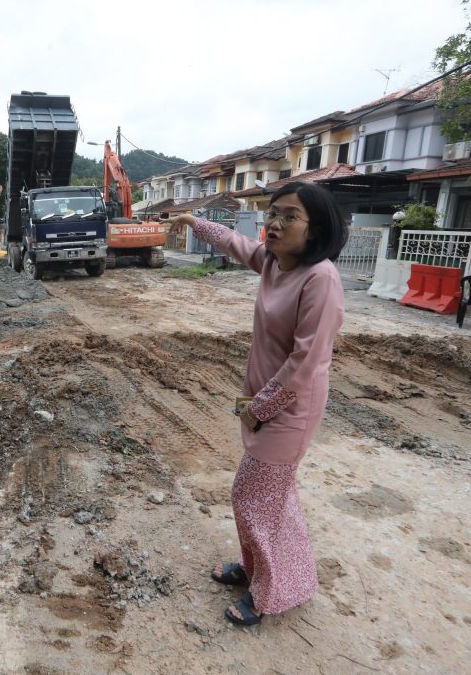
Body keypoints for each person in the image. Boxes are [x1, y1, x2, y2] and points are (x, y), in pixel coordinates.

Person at [168, 182, 348, 626]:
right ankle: (255, 570)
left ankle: (269, 592)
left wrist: (259, 408)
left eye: (290, 216)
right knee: (269, 499)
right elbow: (236, 242)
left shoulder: (320, 278)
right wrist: (195, 222)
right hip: (263, 402)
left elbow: (307, 360)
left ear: (315, 229)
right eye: (273, 212)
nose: (274, 223)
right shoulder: (273, 262)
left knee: (252, 498)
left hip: (289, 409)